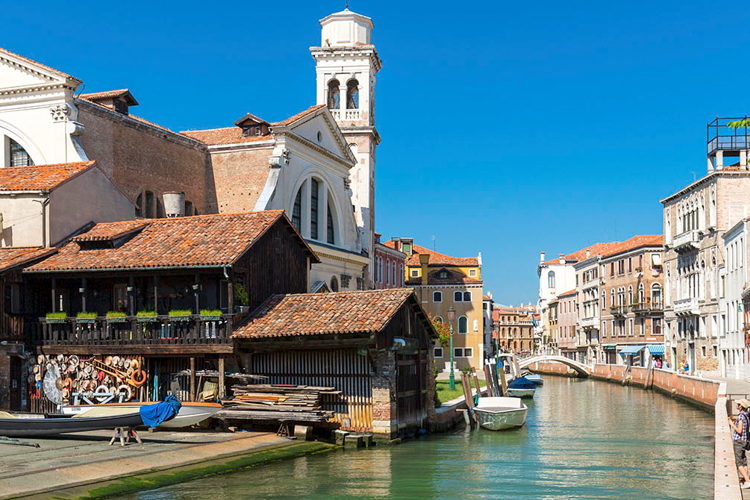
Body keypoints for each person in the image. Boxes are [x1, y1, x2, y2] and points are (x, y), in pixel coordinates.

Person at [729, 399, 750, 488]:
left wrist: (732, 424)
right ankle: (745, 479)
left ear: (741, 406)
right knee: (744, 460)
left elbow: (739, 430)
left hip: (739, 441)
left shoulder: (741, 416)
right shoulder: (746, 415)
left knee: (739, 463)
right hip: (745, 441)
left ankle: (748, 481)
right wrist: (735, 420)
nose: (736, 405)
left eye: (738, 404)